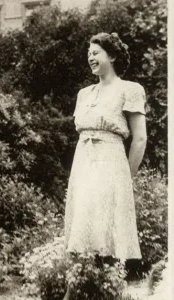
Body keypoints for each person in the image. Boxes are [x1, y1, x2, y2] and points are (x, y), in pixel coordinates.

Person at [63, 32, 147, 299]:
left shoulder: (129, 90)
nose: (90, 56)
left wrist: (126, 177)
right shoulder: (84, 93)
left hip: (111, 163)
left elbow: (140, 138)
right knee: (81, 229)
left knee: (108, 231)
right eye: (89, 52)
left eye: (96, 52)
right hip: (83, 163)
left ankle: (109, 290)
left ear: (112, 56)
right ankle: (75, 290)